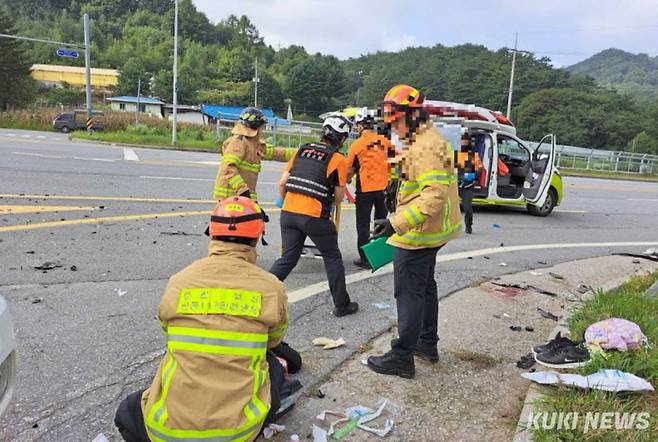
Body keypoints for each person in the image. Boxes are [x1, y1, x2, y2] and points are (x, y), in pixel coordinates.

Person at [114, 196, 298, 442]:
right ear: (257, 238)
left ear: (212, 233)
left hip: (165, 432)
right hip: (238, 433)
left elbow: (169, 333)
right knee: (273, 367)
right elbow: (273, 342)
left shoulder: (180, 281)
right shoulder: (271, 287)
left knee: (128, 409)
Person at [366, 84, 462, 379]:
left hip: (418, 234)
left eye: (395, 118)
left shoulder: (427, 147)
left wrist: (396, 224)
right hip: (427, 231)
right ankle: (426, 343)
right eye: (389, 117)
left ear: (413, 114)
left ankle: (402, 357)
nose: (392, 123)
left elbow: (433, 196)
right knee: (424, 287)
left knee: (409, 292)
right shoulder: (421, 139)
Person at [269, 114, 359, 318]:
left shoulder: (302, 149)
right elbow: (338, 196)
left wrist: (288, 203)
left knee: (289, 257)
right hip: (314, 216)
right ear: (342, 138)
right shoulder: (338, 159)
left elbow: (282, 183)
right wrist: (328, 205)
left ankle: (261, 293)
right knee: (332, 257)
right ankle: (341, 304)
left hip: (289, 213)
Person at [213, 107, 296, 204]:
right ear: (255, 126)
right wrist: (243, 192)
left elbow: (277, 153)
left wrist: (301, 152)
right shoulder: (238, 142)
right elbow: (228, 168)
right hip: (230, 197)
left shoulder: (253, 144)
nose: (262, 130)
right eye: (262, 127)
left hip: (242, 197)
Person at [346, 108, 392, 269]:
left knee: (363, 225)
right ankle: (379, 255)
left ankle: (365, 258)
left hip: (365, 190)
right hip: (384, 190)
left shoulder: (357, 144)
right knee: (381, 223)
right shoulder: (386, 142)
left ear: (359, 126)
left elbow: (347, 170)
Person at [456, 133, 482, 234]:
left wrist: (468, 177)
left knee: (467, 209)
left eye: (465, 141)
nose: (464, 143)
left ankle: (468, 226)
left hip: (467, 186)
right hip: (455, 185)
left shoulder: (473, 155)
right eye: (462, 140)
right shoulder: (455, 154)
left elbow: (479, 170)